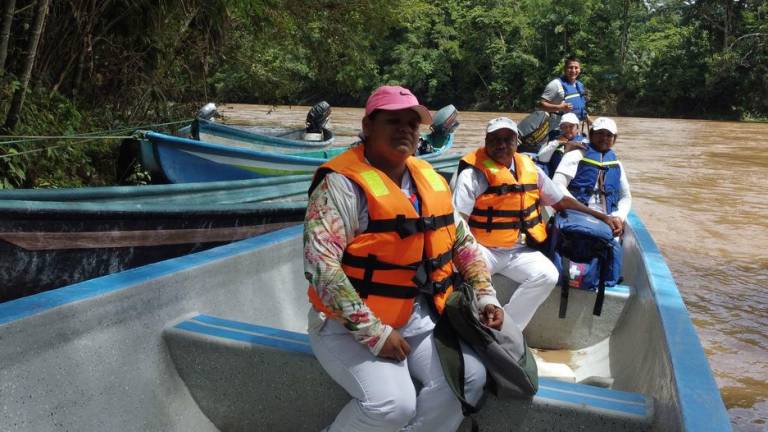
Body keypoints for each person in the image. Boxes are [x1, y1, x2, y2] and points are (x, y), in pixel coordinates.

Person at [304, 85, 504, 432]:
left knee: (468, 379)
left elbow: (463, 243)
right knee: (391, 404)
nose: (406, 130)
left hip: (414, 315)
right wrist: (375, 334)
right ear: (367, 126)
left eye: (413, 123)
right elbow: (321, 268)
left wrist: (485, 295)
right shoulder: (340, 186)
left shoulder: (428, 179)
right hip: (345, 324)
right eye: (393, 121)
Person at [452, 117, 622, 331]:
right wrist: (470, 261)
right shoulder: (472, 174)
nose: (502, 145)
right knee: (457, 274)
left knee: (548, 274)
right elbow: (458, 224)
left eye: (508, 139)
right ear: (486, 140)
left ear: (517, 141)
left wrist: (603, 217)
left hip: (518, 250)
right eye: (495, 139)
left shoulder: (530, 168)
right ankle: (478, 319)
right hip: (483, 250)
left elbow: (560, 201)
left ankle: (507, 329)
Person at [552, 116, 631, 232]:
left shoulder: (616, 163)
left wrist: (619, 216)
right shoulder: (576, 155)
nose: (604, 138)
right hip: (578, 215)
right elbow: (557, 186)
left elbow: (626, 196)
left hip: (609, 218)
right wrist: (596, 216)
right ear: (591, 135)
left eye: (609, 135)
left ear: (614, 139)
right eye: (600, 133)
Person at [537, 56, 590, 139]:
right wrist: (560, 107)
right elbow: (540, 105)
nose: (573, 70)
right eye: (570, 67)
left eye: (576, 68)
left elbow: (581, 109)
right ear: (565, 69)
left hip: (574, 132)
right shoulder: (555, 84)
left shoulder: (580, 85)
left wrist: (592, 123)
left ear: (580, 70)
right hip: (558, 132)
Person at [537, 112, 587, 177]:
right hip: (555, 178)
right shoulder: (554, 141)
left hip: (575, 179)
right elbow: (541, 159)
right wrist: (556, 143)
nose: (568, 129)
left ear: (577, 128)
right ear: (560, 128)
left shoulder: (584, 142)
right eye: (564, 127)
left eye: (571, 126)